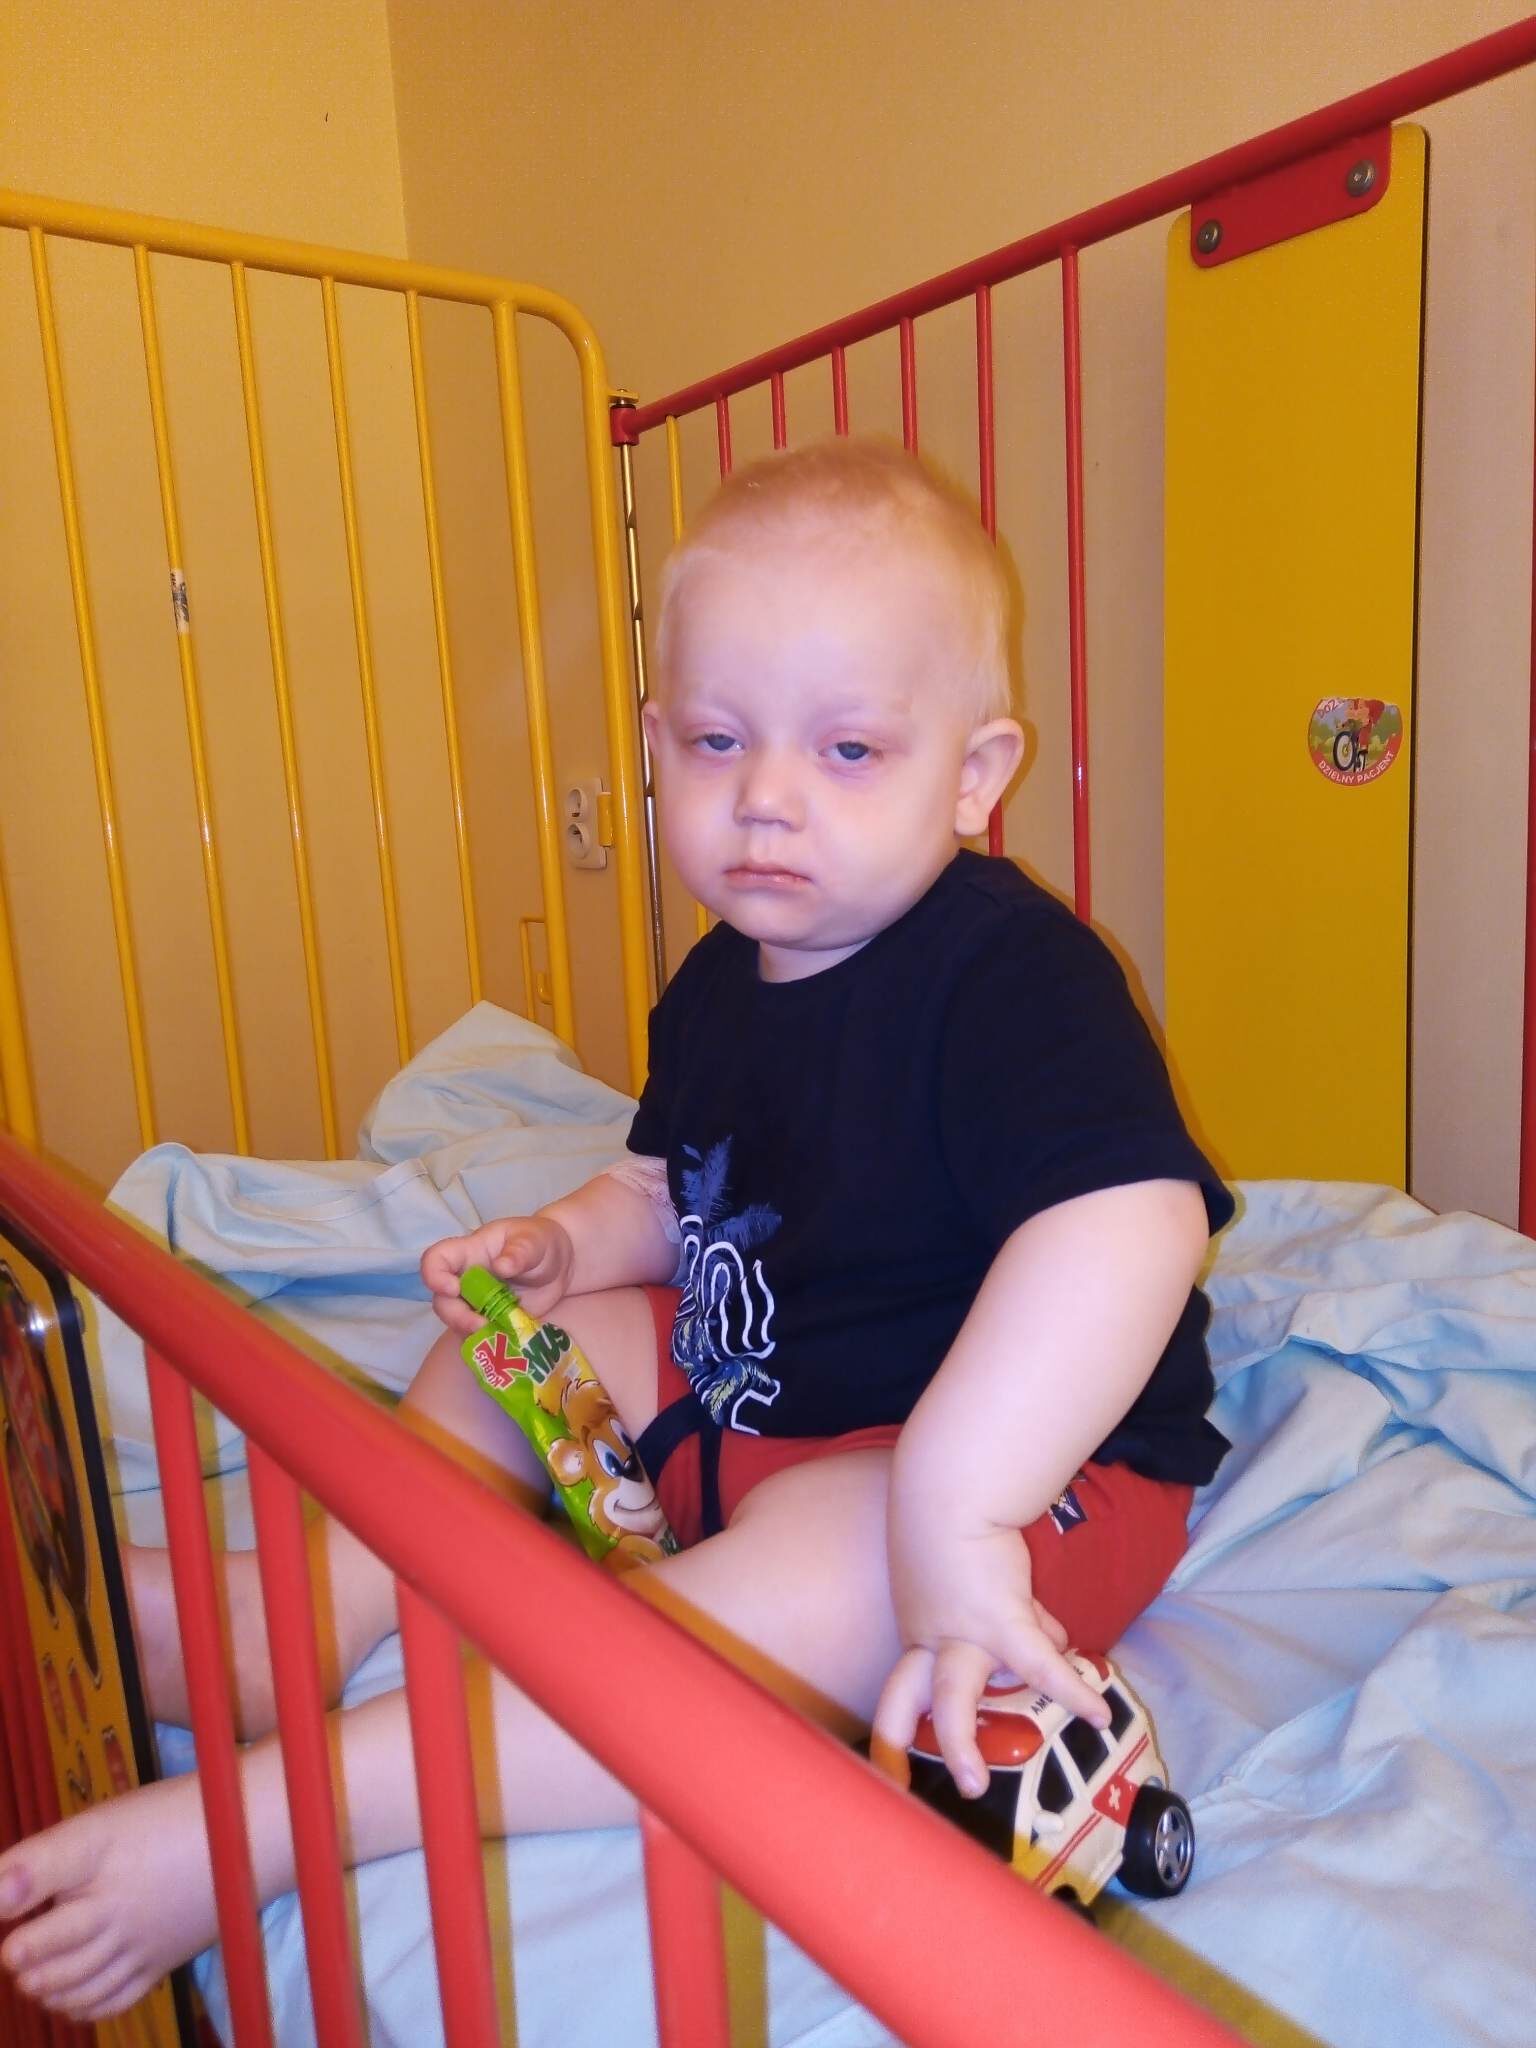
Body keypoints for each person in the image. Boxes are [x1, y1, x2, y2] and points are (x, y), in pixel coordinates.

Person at [0, 437, 1231, 2022]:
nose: (767, 795)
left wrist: (954, 1502)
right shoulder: (717, 983)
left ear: (974, 775)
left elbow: (1133, 1221)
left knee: (849, 1554)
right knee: (521, 1349)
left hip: (1019, 1479)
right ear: (660, 746)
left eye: (850, 749)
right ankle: (285, 1621)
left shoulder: (1014, 975)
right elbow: (672, 1189)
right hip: (749, 1402)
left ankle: (300, 1809)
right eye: (718, 741)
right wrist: (573, 1248)